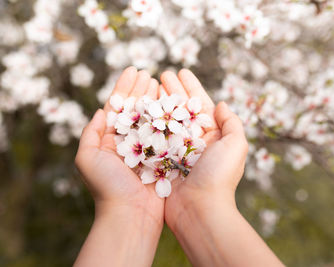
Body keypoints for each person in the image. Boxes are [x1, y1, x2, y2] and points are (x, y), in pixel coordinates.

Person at [74, 66, 284, 267]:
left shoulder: (178, 142)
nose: (166, 117)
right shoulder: (144, 143)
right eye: (165, 116)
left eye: (168, 115)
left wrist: (123, 208)